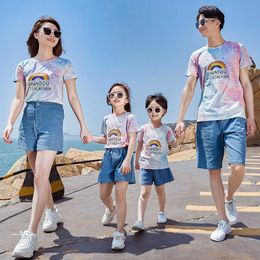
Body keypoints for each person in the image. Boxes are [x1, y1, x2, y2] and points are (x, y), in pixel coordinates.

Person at [2, 17, 91, 258]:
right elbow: (19, 98)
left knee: (41, 173)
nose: (53, 35)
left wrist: (83, 125)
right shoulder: (24, 65)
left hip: (53, 116)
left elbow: (73, 97)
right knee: (37, 173)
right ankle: (51, 212)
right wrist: (10, 122)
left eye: (57, 32)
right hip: (29, 116)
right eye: (48, 30)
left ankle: (30, 235)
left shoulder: (64, 65)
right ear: (36, 34)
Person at [175, 6, 256, 242]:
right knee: (213, 171)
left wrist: (250, 116)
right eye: (197, 23)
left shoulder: (237, 48)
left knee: (238, 167)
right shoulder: (197, 56)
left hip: (234, 114)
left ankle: (230, 197)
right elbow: (189, 88)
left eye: (203, 21)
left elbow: (246, 83)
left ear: (217, 22)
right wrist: (180, 119)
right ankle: (222, 220)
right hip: (207, 118)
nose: (199, 26)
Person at [89, 82, 138, 250]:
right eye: (112, 95)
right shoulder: (106, 119)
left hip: (124, 154)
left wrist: (127, 159)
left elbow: (132, 139)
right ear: (108, 100)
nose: (115, 97)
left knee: (120, 195)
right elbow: (106, 138)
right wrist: (92, 138)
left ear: (126, 99)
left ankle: (119, 232)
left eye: (119, 94)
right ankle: (111, 209)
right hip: (109, 155)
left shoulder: (130, 118)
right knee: (103, 195)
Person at [132, 94, 175, 231]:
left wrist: (178, 137)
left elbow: (172, 143)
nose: (153, 113)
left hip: (161, 167)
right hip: (146, 166)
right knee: (144, 192)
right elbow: (139, 146)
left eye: (157, 109)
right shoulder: (144, 129)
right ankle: (140, 220)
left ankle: (161, 212)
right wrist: (136, 161)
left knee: (160, 190)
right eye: (149, 110)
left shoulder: (167, 130)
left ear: (164, 111)